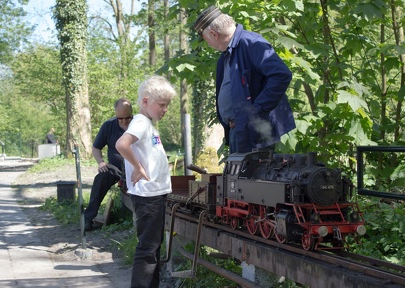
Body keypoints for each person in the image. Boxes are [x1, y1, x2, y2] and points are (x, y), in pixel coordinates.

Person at [193, 6, 296, 153]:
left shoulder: (252, 43)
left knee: (252, 176)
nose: (208, 45)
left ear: (213, 34)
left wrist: (256, 111)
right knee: (236, 176)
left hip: (257, 132)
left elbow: (281, 75)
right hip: (238, 130)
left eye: (205, 39)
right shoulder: (224, 57)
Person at [115, 75, 176, 288]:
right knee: (148, 250)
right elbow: (122, 144)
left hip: (153, 195)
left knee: (152, 249)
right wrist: (138, 167)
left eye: (167, 105)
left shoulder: (147, 124)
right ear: (145, 101)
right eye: (162, 104)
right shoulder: (141, 122)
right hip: (148, 197)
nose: (165, 109)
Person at [84, 98, 133, 231]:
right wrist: (101, 162)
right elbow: (96, 148)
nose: (123, 121)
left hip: (135, 167)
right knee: (101, 177)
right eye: (120, 118)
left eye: (127, 118)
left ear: (132, 113)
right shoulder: (108, 125)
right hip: (115, 168)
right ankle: (88, 218)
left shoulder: (139, 125)